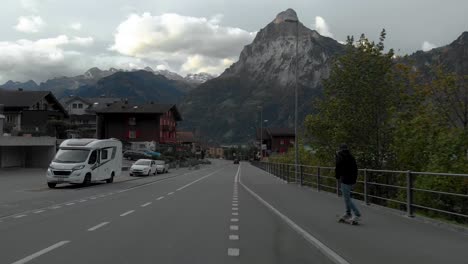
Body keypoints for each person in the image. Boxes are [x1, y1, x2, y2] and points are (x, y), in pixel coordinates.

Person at [335, 144, 361, 222]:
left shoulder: (340, 156)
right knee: (347, 197)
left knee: (347, 198)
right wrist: (354, 180)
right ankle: (348, 213)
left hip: (344, 179)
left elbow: (338, 167)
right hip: (351, 179)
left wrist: (337, 177)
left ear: (340, 149)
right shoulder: (351, 157)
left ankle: (357, 214)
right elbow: (355, 169)